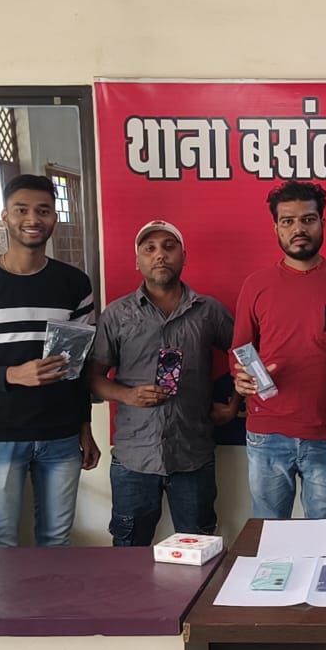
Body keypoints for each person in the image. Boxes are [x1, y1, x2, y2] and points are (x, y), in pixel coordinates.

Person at [0, 174, 99, 547]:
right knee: (0, 541)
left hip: (61, 435)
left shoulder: (74, 284)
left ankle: (51, 594)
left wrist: (84, 427)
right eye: (22, 210)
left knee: (56, 540)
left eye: (43, 210)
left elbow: (77, 369)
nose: (33, 219)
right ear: (6, 216)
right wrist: (14, 374)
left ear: (54, 218)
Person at [233, 181, 326, 518]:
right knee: (269, 537)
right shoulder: (256, 285)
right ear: (276, 228)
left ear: (322, 223)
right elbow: (239, 351)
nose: (298, 229)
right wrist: (241, 378)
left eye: (308, 219)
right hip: (266, 435)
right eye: (288, 221)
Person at [88, 220, 234, 546]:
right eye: (149, 249)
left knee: (199, 550)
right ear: (137, 260)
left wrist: (234, 405)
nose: (160, 255)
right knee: (128, 552)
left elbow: (245, 355)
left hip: (193, 454)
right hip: (134, 458)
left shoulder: (208, 311)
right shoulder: (117, 315)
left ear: (184, 256)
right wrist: (128, 395)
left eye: (169, 247)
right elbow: (93, 379)